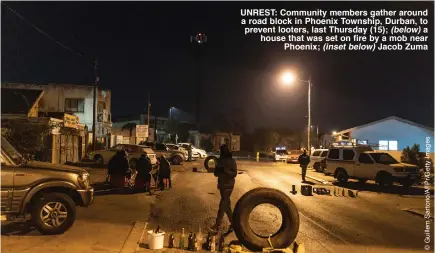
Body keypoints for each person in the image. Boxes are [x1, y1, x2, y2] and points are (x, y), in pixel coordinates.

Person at [210, 144, 237, 234]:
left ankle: (217, 225)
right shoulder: (220, 160)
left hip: (228, 186)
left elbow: (234, 173)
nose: (220, 152)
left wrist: (225, 170)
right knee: (226, 206)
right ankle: (234, 224)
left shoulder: (232, 161)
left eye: (221, 151)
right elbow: (215, 174)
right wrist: (218, 169)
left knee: (222, 205)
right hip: (222, 185)